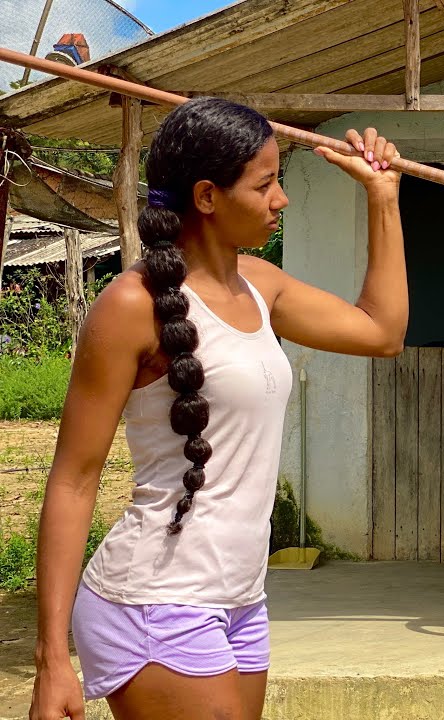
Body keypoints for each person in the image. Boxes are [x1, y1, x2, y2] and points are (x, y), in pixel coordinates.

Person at [29, 97, 407, 720]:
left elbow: (382, 332)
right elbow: (73, 479)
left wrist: (383, 199)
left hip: (240, 600)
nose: (281, 199)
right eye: (266, 185)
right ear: (207, 197)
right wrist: (51, 658)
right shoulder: (132, 305)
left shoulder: (261, 283)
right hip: (154, 598)